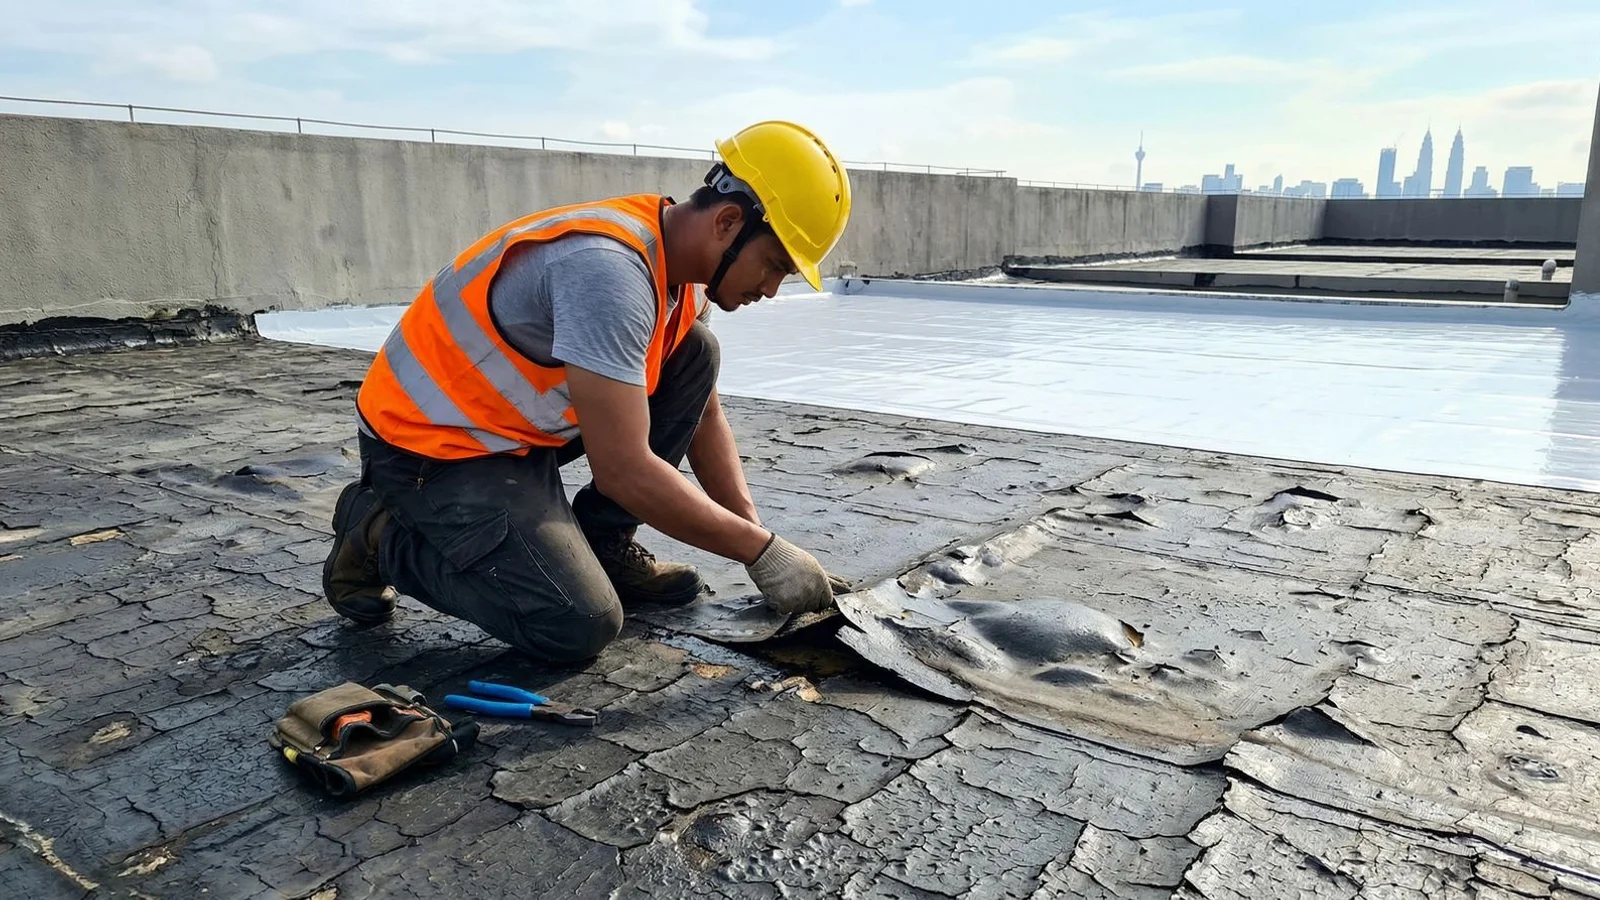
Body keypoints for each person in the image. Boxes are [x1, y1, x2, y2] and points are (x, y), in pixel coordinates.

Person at [321, 120, 853, 663]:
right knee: (576, 624)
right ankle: (381, 534)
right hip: (432, 449)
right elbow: (624, 468)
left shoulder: (677, 267)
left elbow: (704, 417)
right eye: (773, 266)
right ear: (728, 221)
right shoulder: (608, 273)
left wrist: (761, 543)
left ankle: (604, 543)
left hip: (509, 431)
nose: (770, 289)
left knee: (697, 355)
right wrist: (760, 551)